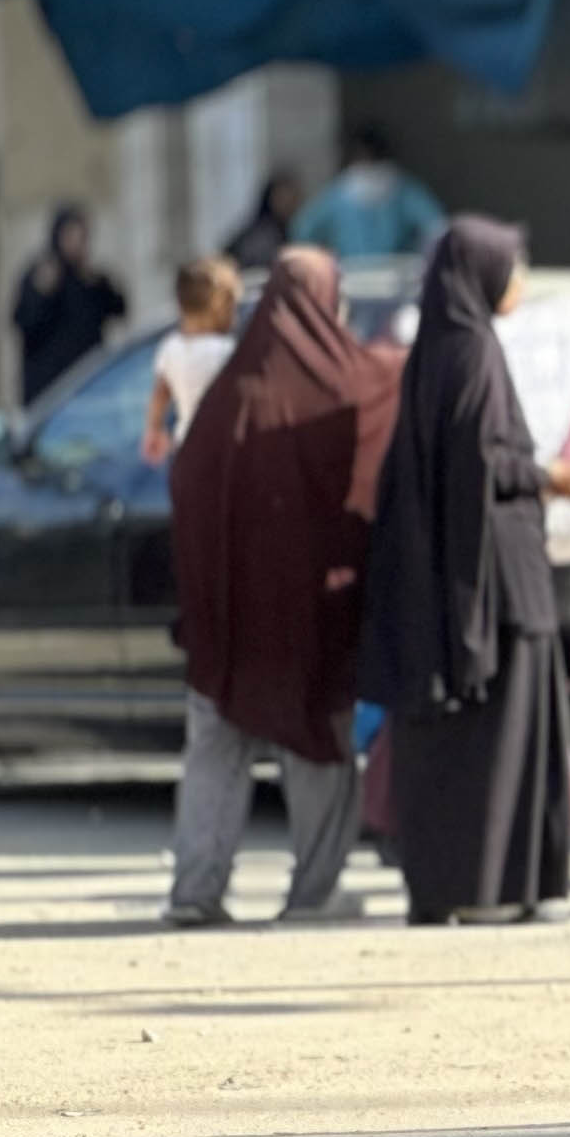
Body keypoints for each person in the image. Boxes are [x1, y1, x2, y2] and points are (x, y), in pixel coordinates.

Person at [161, 248, 400, 928]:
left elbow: (185, 486)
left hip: (226, 622)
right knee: (317, 746)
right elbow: (383, 411)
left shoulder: (226, 395)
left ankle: (195, 890)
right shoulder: (347, 382)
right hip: (307, 615)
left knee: (216, 745)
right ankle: (315, 891)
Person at [359, 219, 570, 926]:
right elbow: (483, 464)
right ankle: (511, 883)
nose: (518, 284)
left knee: (463, 744)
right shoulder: (476, 351)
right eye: (510, 269)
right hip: (502, 580)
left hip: (457, 586)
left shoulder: (437, 347)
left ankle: (453, 884)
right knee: (513, 736)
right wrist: (549, 473)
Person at [11, 204, 128, 404]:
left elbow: (120, 309)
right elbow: (22, 322)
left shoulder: (90, 278)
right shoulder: (41, 275)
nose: (76, 243)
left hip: (90, 384)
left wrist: (97, 283)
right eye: (70, 236)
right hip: (50, 390)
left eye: (81, 236)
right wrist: (42, 293)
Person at [142, 255, 242, 465]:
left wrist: (153, 431)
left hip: (185, 450)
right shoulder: (225, 351)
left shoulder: (170, 347)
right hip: (221, 452)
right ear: (221, 307)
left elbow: (160, 396)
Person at [290, 129, 447, 260]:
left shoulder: (403, 190)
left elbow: (436, 229)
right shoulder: (338, 194)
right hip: (351, 274)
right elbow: (303, 231)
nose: (370, 173)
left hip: (392, 276)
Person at [224, 174, 305, 275]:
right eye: (285, 199)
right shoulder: (261, 238)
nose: (292, 204)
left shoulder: (285, 232)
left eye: (294, 198)